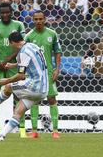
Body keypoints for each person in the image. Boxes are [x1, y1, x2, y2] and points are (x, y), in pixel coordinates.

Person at [0, 31, 48, 141]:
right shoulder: (32, 46)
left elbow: (21, 75)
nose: (11, 47)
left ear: (13, 43)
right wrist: (14, 65)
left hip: (34, 86)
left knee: (8, 87)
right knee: (18, 111)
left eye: (10, 44)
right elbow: (30, 61)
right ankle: (1, 136)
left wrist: (7, 80)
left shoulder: (23, 52)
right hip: (43, 90)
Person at [0, 2, 26, 138]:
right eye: (2, 12)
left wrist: (8, 60)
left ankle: (22, 129)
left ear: (11, 12)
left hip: (14, 64)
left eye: (7, 12)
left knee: (19, 94)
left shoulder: (18, 25)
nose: (5, 15)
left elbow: (22, 46)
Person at [25, 11, 62, 139]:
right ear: (33, 20)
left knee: (52, 99)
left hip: (49, 72)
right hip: (34, 74)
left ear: (45, 19)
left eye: (41, 19)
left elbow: (57, 52)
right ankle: (35, 131)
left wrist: (57, 69)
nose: (38, 21)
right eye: (36, 19)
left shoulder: (52, 34)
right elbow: (25, 54)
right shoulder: (29, 36)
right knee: (34, 100)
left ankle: (55, 131)